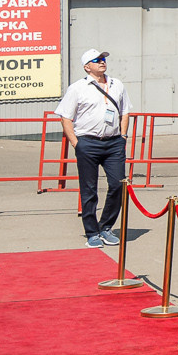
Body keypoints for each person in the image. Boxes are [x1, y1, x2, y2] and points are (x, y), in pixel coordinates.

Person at [57, 50, 130, 247]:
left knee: (118, 185)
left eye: (104, 59)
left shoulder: (117, 85)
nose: (102, 62)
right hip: (87, 143)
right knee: (89, 189)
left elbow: (124, 111)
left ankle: (106, 227)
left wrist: (122, 136)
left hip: (114, 142)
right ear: (87, 66)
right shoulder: (78, 88)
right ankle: (92, 232)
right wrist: (76, 143)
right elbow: (65, 117)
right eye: (97, 60)